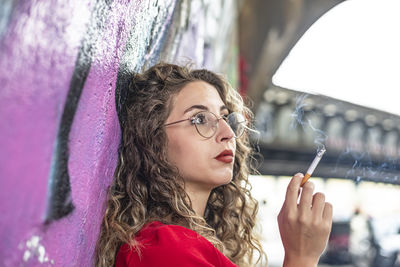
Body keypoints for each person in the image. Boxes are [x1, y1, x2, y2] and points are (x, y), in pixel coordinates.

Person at [94, 63, 333, 267]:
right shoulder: (162, 249)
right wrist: (302, 256)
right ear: (153, 140)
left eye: (226, 118)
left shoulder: (189, 244)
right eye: (200, 119)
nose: (228, 133)